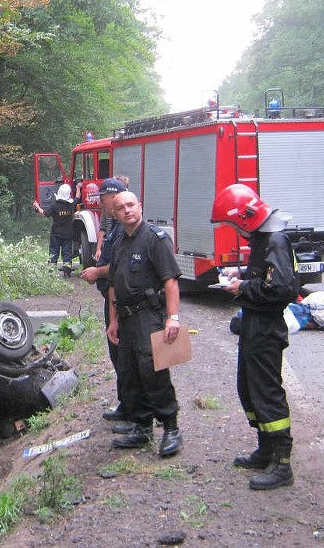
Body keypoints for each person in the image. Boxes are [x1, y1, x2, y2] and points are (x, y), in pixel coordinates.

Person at [210, 183, 298, 490]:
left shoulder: (275, 240)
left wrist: (241, 288)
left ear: (245, 217)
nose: (235, 230)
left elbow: (281, 289)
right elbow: (265, 277)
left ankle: (282, 464)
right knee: (248, 389)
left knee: (267, 393)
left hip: (266, 327)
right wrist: (243, 276)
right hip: (253, 324)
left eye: (233, 224)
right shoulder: (264, 238)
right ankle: (265, 449)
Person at [106, 190, 183, 457]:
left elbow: (170, 281)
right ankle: (141, 426)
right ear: (114, 214)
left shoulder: (155, 239)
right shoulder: (119, 244)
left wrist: (173, 318)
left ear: (140, 206)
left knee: (153, 371)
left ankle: (171, 427)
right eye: (120, 207)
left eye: (130, 205)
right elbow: (114, 285)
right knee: (129, 372)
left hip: (149, 316)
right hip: (125, 318)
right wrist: (113, 321)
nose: (127, 210)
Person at [79, 176, 136, 424]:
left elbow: (120, 266)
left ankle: (136, 412)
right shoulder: (114, 226)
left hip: (128, 302)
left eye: (103, 197)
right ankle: (126, 404)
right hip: (113, 298)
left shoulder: (128, 231)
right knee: (117, 354)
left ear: (113, 196)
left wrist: (97, 272)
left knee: (127, 357)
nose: (101, 202)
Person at [32, 183, 76, 277]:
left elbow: (44, 214)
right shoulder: (72, 204)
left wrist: (37, 206)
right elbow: (78, 198)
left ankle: (51, 272)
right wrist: (79, 188)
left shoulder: (55, 205)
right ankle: (67, 271)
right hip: (68, 234)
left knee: (53, 252)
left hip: (56, 234)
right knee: (67, 252)